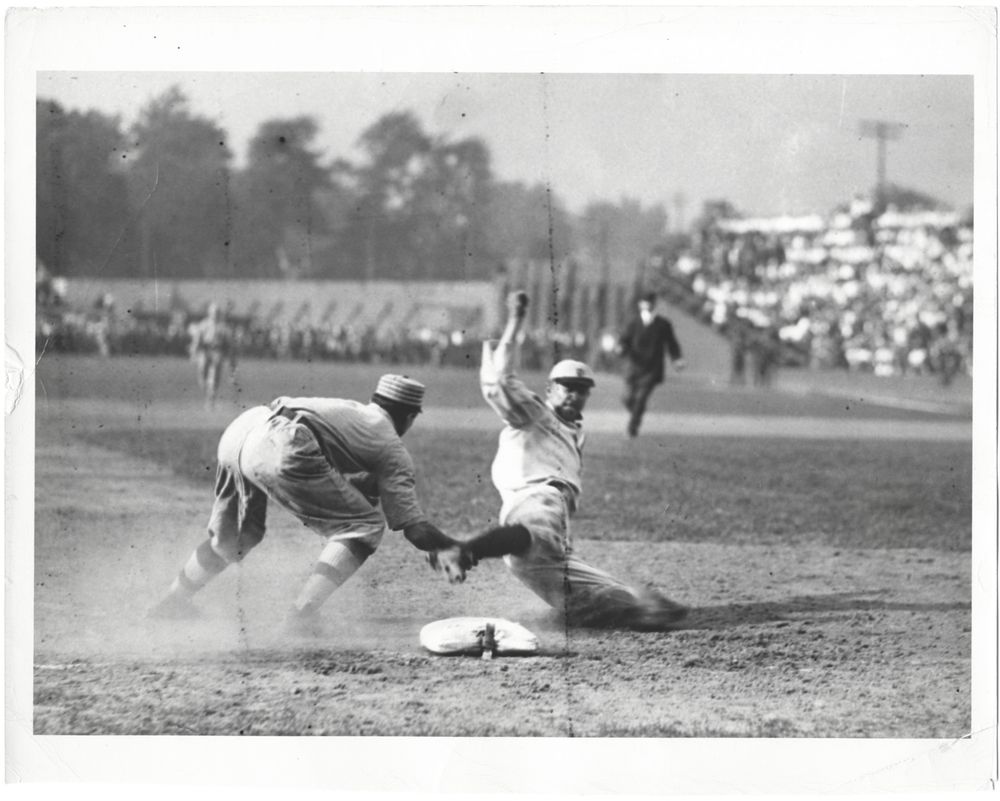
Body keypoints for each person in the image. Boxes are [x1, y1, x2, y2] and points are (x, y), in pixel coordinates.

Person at [432, 291, 688, 631]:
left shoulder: (575, 431)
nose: (573, 393)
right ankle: (462, 551)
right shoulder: (535, 414)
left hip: (547, 543)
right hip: (536, 502)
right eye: (566, 386)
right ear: (550, 389)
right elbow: (498, 383)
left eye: (581, 389)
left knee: (621, 601)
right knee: (536, 534)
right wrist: (515, 321)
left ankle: (628, 607)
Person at [149, 374, 467, 633]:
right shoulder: (391, 445)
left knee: (235, 538)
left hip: (243, 428)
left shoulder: (352, 412)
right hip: (283, 441)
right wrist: (455, 546)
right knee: (365, 526)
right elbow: (415, 530)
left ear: (378, 400)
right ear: (409, 416)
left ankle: (173, 601)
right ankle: (302, 615)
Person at [617, 292, 685, 437]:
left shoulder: (663, 324)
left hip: (652, 369)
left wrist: (677, 359)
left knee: (641, 398)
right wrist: (620, 348)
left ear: (654, 304)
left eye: (649, 302)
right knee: (627, 398)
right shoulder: (633, 323)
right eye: (643, 302)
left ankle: (632, 428)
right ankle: (638, 412)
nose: (646, 305)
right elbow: (624, 341)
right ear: (640, 304)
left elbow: (672, 344)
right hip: (634, 367)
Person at [189, 302, 237, 408]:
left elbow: (229, 344)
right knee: (202, 373)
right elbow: (197, 340)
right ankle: (207, 393)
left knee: (215, 375)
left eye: (217, 312)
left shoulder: (223, 327)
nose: (215, 314)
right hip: (205, 351)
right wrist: (194, 352)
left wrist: (230, 357)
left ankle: (211, 398)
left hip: (217, 351)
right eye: (213, 312)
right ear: (209, 313)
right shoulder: (204, 324)